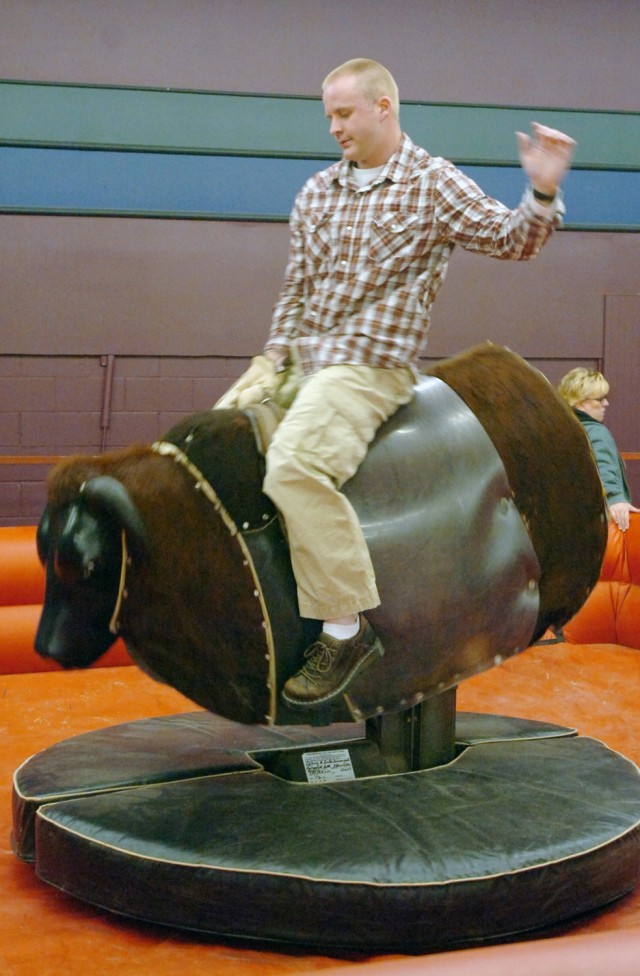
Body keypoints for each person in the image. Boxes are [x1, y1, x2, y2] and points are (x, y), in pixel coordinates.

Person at [216, 57, 576, 709]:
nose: (333, 127)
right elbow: (296, 288)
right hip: (299, 360)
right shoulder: (318, 192)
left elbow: (509, 238)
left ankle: (345, 627)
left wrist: (541, 194)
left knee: (295, 467)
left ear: (384, 107)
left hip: (368, 366)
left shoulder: (432, 183)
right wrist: (268, 362)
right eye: (327, 115)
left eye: (344, 113)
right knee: (213, 448)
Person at [558, 367, 638, 531]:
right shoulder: (595, 432)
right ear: (579, 402)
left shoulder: (560, 431)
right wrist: (614, 498)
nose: (605, 403)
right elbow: (602, 466)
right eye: (600, 399)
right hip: (595, 530)